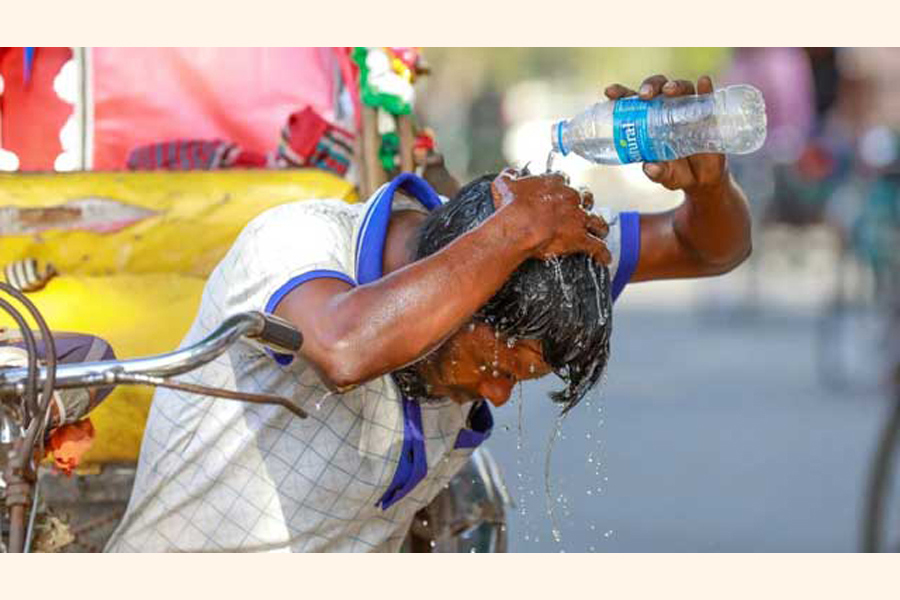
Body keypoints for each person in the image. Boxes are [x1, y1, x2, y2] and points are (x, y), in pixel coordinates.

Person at [106, 74, 751, 552]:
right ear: (469, 288)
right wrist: (510, 234)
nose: (497, 394)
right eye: (499, 365)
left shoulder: (538, 260)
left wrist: (707, 185)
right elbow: (346, 348)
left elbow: (709, 247)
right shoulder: (294, 243)